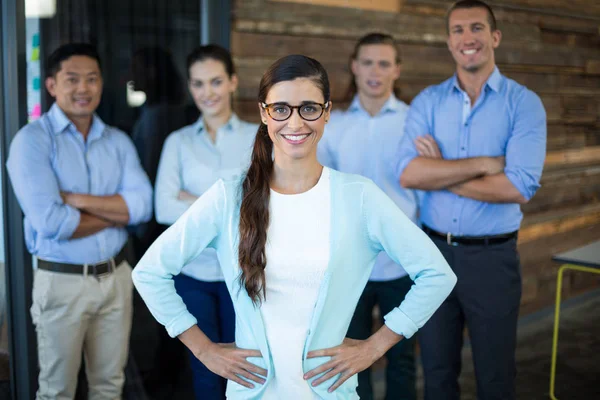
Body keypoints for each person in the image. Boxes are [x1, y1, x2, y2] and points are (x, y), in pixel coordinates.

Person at [132, 54, 456, 399]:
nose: (295, 122)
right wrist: (203, 349)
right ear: (263, 113)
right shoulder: (229, 195)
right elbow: (149, 273)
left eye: (309, 108)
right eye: (281, 109)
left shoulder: (359, 196)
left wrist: (374, 347)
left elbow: (437, 275)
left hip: (330, 393)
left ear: (327, 111)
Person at [397, 1, 547, 399]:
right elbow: (410, 173)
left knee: (496, 378)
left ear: (494, 37)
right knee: (437, 373)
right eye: (459, 30)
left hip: (491, 262)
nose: (468, 38)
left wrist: (440, 172)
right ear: (449, 42)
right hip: (432, 258)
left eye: (477, 28)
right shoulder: (428, 102)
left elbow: (518, 187)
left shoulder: (523, 104)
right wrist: (483, 165)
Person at [6, 43, 153, 400]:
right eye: (72, 79)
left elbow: (144, 207)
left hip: (116, 279)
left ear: (102, 84)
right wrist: (117, 214)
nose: (83, 88)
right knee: (57, 390)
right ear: (53, 85)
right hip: (62, 282)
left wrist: (78, 201)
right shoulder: (32, 141)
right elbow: (52, 222)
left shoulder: (117, 141)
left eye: (91, 79)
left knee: (109, 385)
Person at [153, 44, 258, 399]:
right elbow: (163, 208)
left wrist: (191, 200)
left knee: (246, 370)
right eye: (198, 84)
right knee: (205, 373)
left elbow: (262, 204)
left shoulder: (257, 138)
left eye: (215, 81)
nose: (207, 92)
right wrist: (229, 204)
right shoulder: (177, 143)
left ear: (232, 82)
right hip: (193, 274)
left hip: (243, 274)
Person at [318, 32, 418, 400]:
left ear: (396, 69)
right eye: (367, 62)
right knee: (348, 359)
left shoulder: (414, 121)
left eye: (384, 63)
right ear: (354, 67)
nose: (375, 71)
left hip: (401, 263)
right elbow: (320, 187)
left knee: (402, 357)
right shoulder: (335, 123)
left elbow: (422, 190)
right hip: (350, 263)